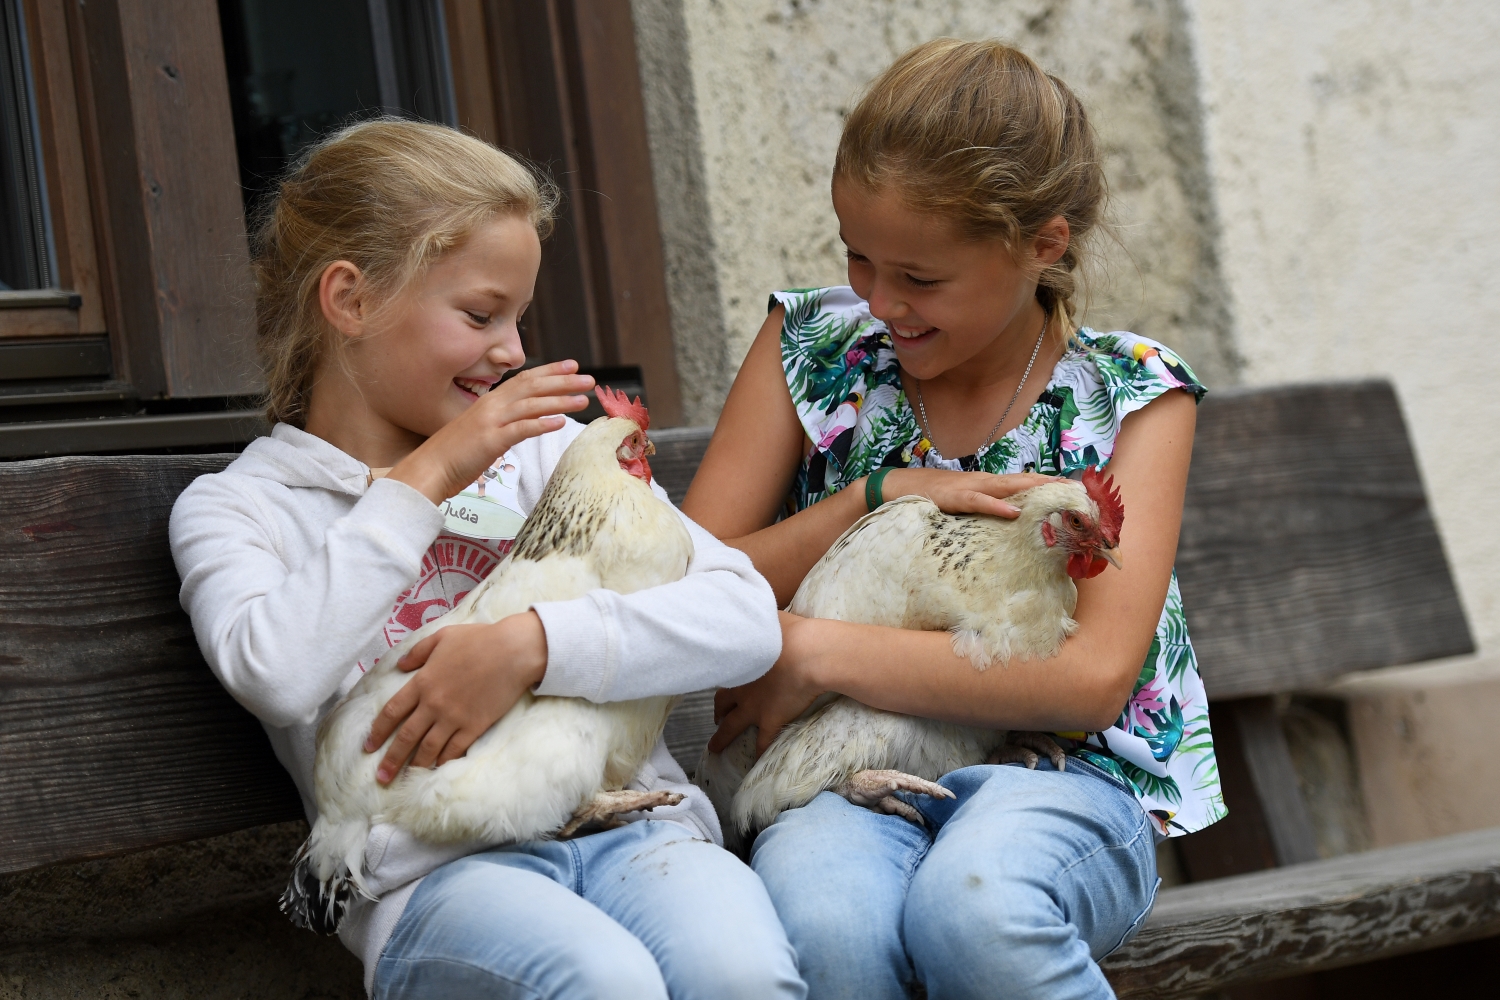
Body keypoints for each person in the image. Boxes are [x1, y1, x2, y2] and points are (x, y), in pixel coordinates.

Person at [170, 119, 805, 1000]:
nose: (512, 351)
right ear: (349, 300)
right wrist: (426, 477)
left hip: (637, 833)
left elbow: (741, 617)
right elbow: (275, 673)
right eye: (480, 315)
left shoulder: (548, 457)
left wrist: (533, 645)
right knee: (602, 982)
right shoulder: (239, 508)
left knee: (739, 973)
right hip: (434, 881)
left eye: (518, 318)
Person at [684, 39, 1223, 1000]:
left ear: (1043, 245)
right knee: (824, 924)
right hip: (835, 766)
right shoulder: (813, 346)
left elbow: (1089, 680)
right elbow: (685, 585)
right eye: (857, 256)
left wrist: (807, 650)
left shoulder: (1133, 394)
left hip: (1063, 779)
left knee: (976, 912)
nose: (881, 301)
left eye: (921, 279)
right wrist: (874, 495)